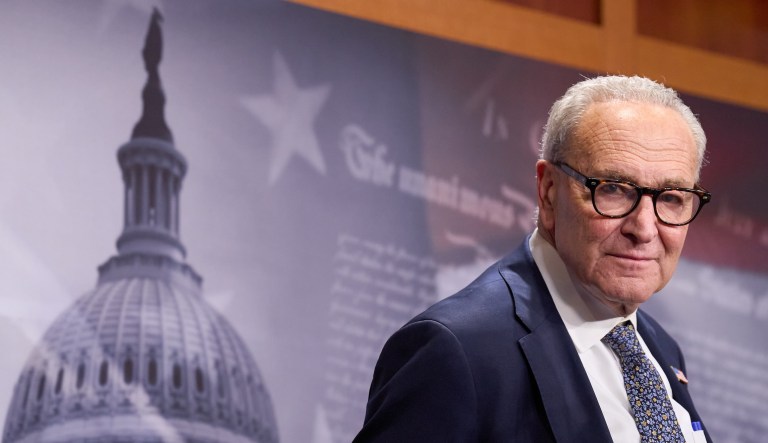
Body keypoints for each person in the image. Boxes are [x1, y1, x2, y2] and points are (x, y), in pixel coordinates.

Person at [353, 75, 712, 442]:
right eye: (614, 190)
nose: (645, 228)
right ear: (549, 192)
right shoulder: (455, 351)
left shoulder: (660, 349)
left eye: (671, 197)